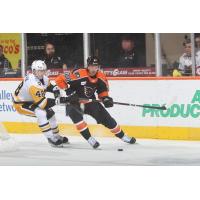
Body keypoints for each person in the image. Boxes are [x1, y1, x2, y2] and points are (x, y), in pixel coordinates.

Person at [55, 56, 136, 149]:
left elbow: (102, 93)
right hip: (74, 102)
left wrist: (106, 99)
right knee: (77, 117)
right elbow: (59, 80)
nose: (94, 68)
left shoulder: (101, 77)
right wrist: (70, 92)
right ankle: (89, 139)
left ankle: (123, 136)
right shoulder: (79, 74)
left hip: (90, 101)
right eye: (92, 66)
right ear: (88, 66)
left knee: (107, 118)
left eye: (96, 66)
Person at [12, 60, 68, 147]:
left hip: (32, 101)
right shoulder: (33, 83)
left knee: (51, 114)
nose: (42, 73)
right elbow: (43, 104)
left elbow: (52, 88)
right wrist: (59, 101)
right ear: (33, 71)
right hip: (20, 104)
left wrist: (57, 96)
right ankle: (50, 138)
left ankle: (56, 136)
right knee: (41, 113)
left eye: (43, 70)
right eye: (39, 71)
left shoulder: (44, 78)